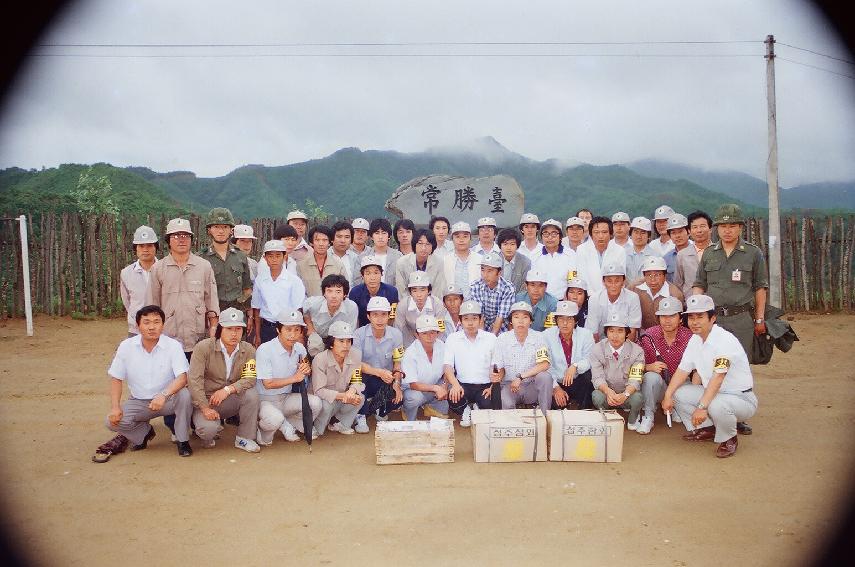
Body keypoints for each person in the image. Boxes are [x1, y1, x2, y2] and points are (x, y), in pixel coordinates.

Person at [692, 204, 767, 436]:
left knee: (736, 367)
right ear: (717, 228)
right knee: (709, 366)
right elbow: (699, 284)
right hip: (714, 320)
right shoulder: (709, 253)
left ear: (740, 227)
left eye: (732, 225)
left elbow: (760, 288)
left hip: (741, 319)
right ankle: (714, 414)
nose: (727, 230)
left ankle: (737, 414)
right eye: (723, 226)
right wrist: (698, 311)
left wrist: (759, 319)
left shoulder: (753, 253)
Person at [661, 295, 759, 458]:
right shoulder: (695, 340)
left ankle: (729, 438)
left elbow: (718, 378)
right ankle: (709, 428)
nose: (695, 322)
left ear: (712, 318)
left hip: (740, 398)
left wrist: (702, 407)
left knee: (715, 405)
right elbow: (682, 370)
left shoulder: (724, 340)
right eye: (691, 317)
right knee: (678, 394)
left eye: (700, 317)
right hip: (714, 394)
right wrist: (667, 395)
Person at [92, 305, 193, 462]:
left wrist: (164, 395)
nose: (151, 327)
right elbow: (116, 378)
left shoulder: (173, 346)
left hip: (168, 399)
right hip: (139, 401)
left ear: (163, 325)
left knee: (185, 395)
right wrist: (115, 407)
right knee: (111, 422)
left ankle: (183, 440)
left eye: (156, 322)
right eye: (146, 322)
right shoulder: (126, 346)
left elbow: (183, 377)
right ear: (138, 325)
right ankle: (144, 433)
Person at [188, 308, 261, 453]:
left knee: (252, 394)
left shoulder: (249, 349)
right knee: (208, 431)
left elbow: (250, 378)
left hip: (230, 398)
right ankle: (207, 432)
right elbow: (194, 380)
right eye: (229, 329)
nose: (234, 334)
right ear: (220, 329)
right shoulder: (203, 348)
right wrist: (205, 408)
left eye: (238, 329)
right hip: (207, 400)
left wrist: (227, 390)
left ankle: (244, 438)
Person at [147, 217, 219, 359]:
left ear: (192, 239)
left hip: (198, 337)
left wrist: (213, 329)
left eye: (185, 236)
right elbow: (152, 306)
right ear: (168, 240)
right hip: (169, 337)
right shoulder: (158, 269)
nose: (181, 240)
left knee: (197, 378)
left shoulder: (203, 266)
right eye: (176, 236)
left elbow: (212, 302)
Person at [255, 310, 321, 445]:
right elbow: (267, 384)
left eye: (297, 330)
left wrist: (307, 369)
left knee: (316, 403)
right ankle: (265, 429)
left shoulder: (300, 348)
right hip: (264, 400)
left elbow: (306, 368)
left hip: (286, 398)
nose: (293, 334)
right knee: (268, 434)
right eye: (288, 329)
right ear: (278, 330)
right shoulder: (264, 349)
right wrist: (295, 378)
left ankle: (290, 424)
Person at [636, 297, 692, 435]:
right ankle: (649, 416)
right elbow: (632, 363)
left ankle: (678, 407)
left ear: (680, 318)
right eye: (663, 316)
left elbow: (697, 370)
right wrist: (648, 367)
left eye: (672, 316)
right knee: (650, 377)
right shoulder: (648, 335)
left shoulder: (690, 337)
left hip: (681, 385)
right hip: (658, 387)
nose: (667, 320)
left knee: (686, 385)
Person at [490, 302, 553, 414]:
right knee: (507, 406)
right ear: (510, 321)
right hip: (510, 386)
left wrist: (520, 377)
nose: (520, 321)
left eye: (525, 317)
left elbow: (544, 364)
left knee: (545, 377)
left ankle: (545, 414)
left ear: (531, 321)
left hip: (532, 386)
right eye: (516, 317)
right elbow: (497, 367)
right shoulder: (502, 339)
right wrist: (497, 375)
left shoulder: (539, 337)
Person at [353, 297, 404, 432]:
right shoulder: (358, 334)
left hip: (385, 378)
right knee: (358, 378)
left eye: (383, 314)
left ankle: (377, 408)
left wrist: (397, 384)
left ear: (389, 316)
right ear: (368, 316)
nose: (380, 319)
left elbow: (397, 363)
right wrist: (378, 372)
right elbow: (356, 363)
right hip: (364, 376)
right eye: (375, 315)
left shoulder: (397, 335)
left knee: (398, 398)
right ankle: (361, 415)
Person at [444, 300, 498, 426]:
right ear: (460, 320)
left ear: (480, 319)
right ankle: (466, 409)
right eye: (466, 318)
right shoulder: (453, 338)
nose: (470, 323)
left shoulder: (491, 339)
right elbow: (447, 366)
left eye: (474, 318)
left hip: (484, 385)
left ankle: (478, 407)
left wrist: (492, 387)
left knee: (489, 404)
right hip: (463, 384)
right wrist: (455, 385)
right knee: (452, 398)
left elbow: (497, 366)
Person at [590, 313, 646, 431]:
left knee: (638, 398)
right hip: (608, 393)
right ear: (606, 332)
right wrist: (608, 392)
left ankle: (632, 420)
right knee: (596, 396)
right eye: (611, 331)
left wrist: (625, 394)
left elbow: (636, 379)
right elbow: (597, 377)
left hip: (627, 394)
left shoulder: (637, 351)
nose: (615, 336)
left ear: (627, 333)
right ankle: (608, 415)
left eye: (620, 331)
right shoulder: (597, 349)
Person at [311, 321, 365, 435]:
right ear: (331, 343)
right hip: (324, 400)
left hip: (341, 397)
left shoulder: (355, 354)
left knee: (359, 397)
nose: (345, 345)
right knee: (326, 405)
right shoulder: (320, 359)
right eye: (341, 341)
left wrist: (352, 390)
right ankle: (315, 426)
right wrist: (344, 396)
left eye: (348, 341)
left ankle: (340, 424)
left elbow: (357, 379)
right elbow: (318, 391)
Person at [251, 240, 306, 346]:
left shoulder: (294, 281)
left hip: (288, 329)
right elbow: (257, 309)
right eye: (270, 256)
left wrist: (299, 335)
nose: (274, 259)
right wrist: (257, 335)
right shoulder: (260, 280)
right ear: (265, 258)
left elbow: (298, 310)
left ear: (285, 257)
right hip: (267, 329)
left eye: (278, 255)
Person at [544, 300, 595, 410]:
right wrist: (556, 388)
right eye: (561, 318)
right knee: (557, 406)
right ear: (556, 320)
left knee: (588, 375)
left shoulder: (586, 334)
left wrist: (575, 366)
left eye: (569, 319)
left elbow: (590, 359)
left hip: (576, 379)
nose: (565, 323)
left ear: (576, 320)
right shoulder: (546, 336)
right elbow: (546, 365)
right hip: (557, 381)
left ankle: (585, 409)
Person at [202, 207, 252, 312]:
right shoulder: (201, 258)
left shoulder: (240, 256)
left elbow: (247, 289)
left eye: (225, 227)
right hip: (212, 313)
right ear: (209, 230)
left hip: (237, 314)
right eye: (216, 226)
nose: (221, 231)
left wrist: (246, 309)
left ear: (231, 230)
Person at [401, 315, 449, 420]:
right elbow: (413, 385)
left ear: (438, 333)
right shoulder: (410, 353)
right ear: (417, 335)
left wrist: (445, 385)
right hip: (414, 390)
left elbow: (448, 369)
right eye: (424, 333)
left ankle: (430, 406)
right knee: (414, 398)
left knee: (454, 388)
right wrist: (436, 388)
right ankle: (407, 410)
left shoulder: (442, 346)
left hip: (434, 384)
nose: (429, 336)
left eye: (432, 332)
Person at [303, 274, 359, 356]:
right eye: (329, 291)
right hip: (318, 336)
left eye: (338, 291)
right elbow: (304, 313)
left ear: (345, 294)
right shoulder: (313, 303)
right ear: (324, 293)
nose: (333, 296)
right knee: (315, 344)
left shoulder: (351, 307)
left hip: (339, 338)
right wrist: (310, 328)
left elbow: (350, 333)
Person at [585, 263, 642, 342]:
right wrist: (600, 351)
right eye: (609, 281)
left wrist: (623, 352)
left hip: (626, 342)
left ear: (623, 282)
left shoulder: (633, 298)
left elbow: (632, 330)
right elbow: (593, 332)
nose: (613, 285)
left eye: (617, 281)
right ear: (603, 282)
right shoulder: (594, 299)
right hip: (601, 343)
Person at [575, 215, 628, 297]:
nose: (600, 236)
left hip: (612, 296)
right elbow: (582, 277)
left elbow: (620, 278)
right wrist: (594, 297)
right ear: (591, 234)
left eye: (604, 232)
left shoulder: (619, 251)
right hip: (588, 297)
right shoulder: (581, 250)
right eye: (596, 232)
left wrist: (607, 296)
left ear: (611, 234)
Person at [120, 225, 159, 337]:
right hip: (136, 330)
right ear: (135, 248)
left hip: (162, 328)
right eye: (141, 246)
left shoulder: (164, 270)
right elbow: (127, 301)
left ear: (156, 247)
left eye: (149, 245)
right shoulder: (126, 273)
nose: (145, 249)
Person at [629, 256, 685, 330]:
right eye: (649, 275)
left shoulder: (674, 295)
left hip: (664, 333)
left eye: (657, 275)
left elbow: (677, 322)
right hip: (639, 332)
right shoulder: (634, 288)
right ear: (644, 276)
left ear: (665, 276)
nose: (653, 280)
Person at [395, 271, 449, 346]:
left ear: (429, 291)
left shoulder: (437, 304)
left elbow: (440, 330)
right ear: (410, 292)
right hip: (409, 343)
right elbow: (398, 330)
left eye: (422, 290)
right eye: (414, 290)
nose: (419, 295)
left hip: (433, 342)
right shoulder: (402, 305)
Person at [469, 252, 515, 335]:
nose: (485, 275)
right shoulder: (475, 286)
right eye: (483, 270)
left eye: (490, 271)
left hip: (501, 327)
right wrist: (482, 338)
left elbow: (500, 317)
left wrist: (492, 338)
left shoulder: (508, 288)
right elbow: (480, 316)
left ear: (499, 272)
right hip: (481, 326)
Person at [348, 255, 400, 328]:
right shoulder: (355, 292)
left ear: (381, 274)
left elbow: (392, 317)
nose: (372, 278)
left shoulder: (392, 291)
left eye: (376, 273)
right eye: (368, 273)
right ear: (362, 275)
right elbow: (354, 319)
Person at [395, 228, 447, 299]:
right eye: (420, 243)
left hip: (432, 305)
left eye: (428, 244)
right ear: (414, 244)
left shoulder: (439, 263)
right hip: (407, 305)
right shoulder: (402, 262)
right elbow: (402, 291)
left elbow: (437, 291)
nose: (423, 248)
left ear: (433, 246)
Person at [673, 210, 713, 299]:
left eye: (702, 226)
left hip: (715, 304)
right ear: (689, 231)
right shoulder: (682, 255)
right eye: (695, 227)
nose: (699, 230)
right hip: (691, 305)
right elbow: (678, 284)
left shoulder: (719, 252)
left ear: (710, 229)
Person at [533, 219, 577, 299]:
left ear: (560, 237)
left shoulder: (570, 255)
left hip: (564, 300)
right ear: (541, 237)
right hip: (541, 300)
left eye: (554, 234)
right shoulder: (534, 255)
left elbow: (573, 280)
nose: (550, 237)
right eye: (546, 234)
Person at [297, 225, 344, 297]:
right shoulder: (301, 266)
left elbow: (345, 289)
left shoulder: (338, 264)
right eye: (317, 240)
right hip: (309, 307)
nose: (321, 244)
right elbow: (298, 292)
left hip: (333, 306)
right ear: (311, 243)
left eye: (325, 240)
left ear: (329, 243)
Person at [441, 221, 481, 300]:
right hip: (452, 306)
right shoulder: (445, 260)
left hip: (475, 306)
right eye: (457, 237)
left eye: (465, 236)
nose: (461, 240)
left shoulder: (480, 259)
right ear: (452, 239)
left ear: (470, 239)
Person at [368, 218, 403, 287]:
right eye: (377, 233)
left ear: (389, 236)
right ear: (371, 237)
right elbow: (358, 281)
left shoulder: (398, 256)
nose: (380, 237)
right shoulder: (363, 257)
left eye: (384, 233)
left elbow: (402, 281)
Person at [496, 228, 531, 293]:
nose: (509, 248)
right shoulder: (494, 260)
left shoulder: (525, 262)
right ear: (500, 246)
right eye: (505, 244)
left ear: (517, 245)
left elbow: (525, 288)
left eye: (512, 244)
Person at [329, 221, 362, 288]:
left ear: (351, 240)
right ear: (332, 239)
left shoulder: (356, 258)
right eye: (339, 236)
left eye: (347, 237)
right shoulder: (325, 256)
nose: (343, 240)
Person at [663, 213, 693, 283]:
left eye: (680, 231)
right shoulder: (666, 259)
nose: (677, 236)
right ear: (669, 236)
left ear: (688, 232)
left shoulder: (698, 252)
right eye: (673, 233)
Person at [625, 216, 654, 283]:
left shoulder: (656, 256)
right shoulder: (623, 254)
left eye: (643, 233)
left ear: (649, 236)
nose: (639, 236)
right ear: (631, 234)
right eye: (636, 232)